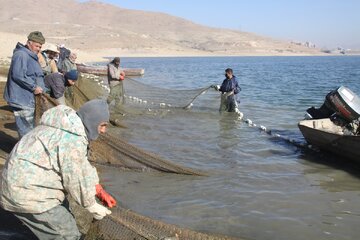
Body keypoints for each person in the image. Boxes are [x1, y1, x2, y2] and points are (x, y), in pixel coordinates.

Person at [0, 99, 117, 239]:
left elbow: (81, 164)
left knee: (65, 215)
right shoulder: (72, 141)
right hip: (26, 194)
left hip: (19, 184)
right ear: (92, 121)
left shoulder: (64, 125)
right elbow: (75, 177)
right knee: (68, 235)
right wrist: (92, 206)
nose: (104, 130)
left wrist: (97, 187)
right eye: (102, 125)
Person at [3, 31, 46, 138]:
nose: (38, 49)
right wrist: (34, 87)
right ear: (29, 43)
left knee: (31, 130)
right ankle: (24, 152)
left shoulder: (30, 56)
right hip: (22, 100)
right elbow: (18, 75)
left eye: (40, 47)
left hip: (28, 100)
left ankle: (27, 150)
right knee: (26, 131)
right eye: (37, 46)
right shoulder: (21, 55)